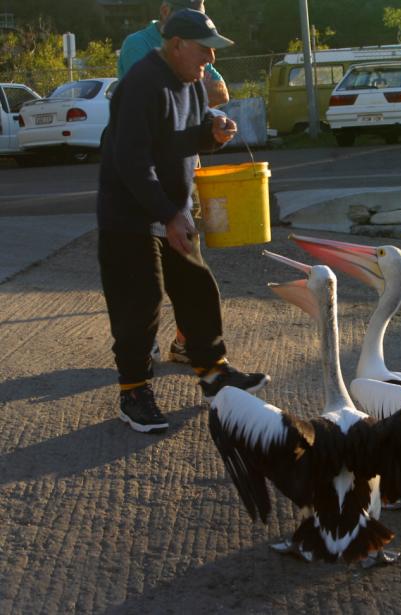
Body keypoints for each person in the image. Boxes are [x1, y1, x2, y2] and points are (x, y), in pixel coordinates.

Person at [97, 8, 268, 434]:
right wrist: (169, 214)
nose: (209, 58)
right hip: (130, 217)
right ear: (176, 45)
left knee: (197, 288)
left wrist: (211, 134)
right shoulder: (140, 84)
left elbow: (178, 140)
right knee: (141, 302)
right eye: (204, 49)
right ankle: (133, 391)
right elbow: (132, 161)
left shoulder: (190, 84)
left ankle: (214, 375)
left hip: (170, 210)